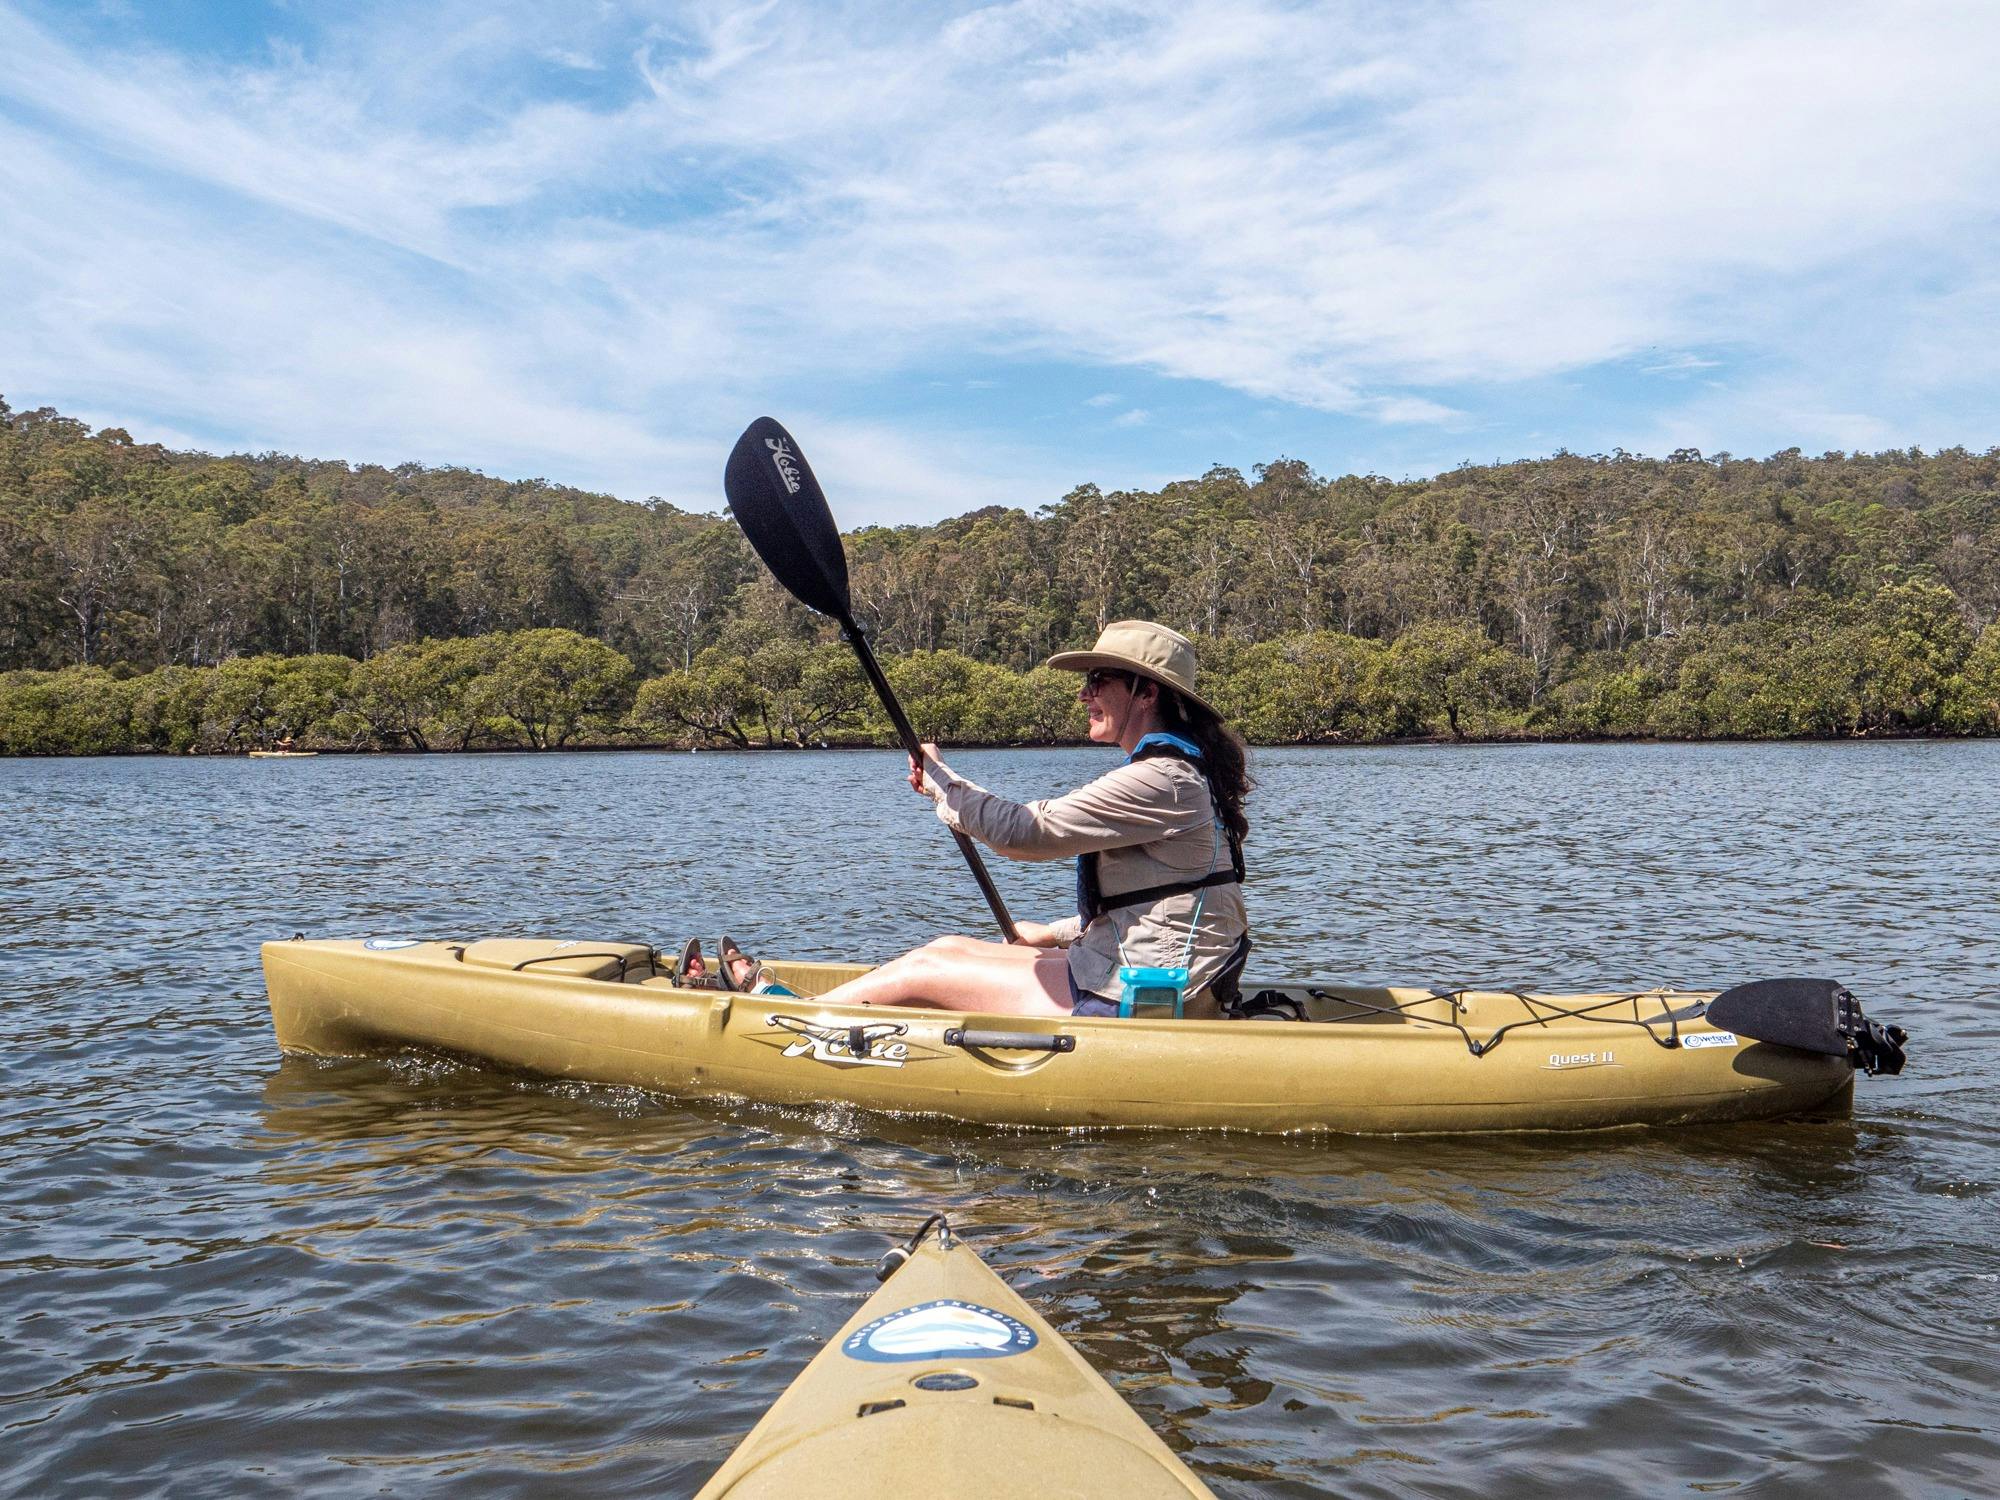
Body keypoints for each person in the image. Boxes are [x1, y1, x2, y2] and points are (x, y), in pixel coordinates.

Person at [813, 620, 1250, 1018]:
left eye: (1098, 681)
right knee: (947, 947)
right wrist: (1054, 933)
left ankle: (790, 1024)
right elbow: (1157, 902)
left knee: (924, 970)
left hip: (1155, 988)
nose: (1084, 695)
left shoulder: (1162, 779)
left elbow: (1027, 832)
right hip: (1166, 968)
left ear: (1147, 693)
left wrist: (942, 782)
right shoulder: (1179, 773)